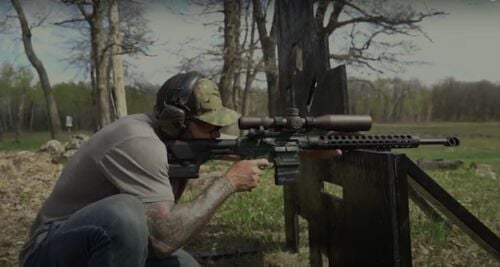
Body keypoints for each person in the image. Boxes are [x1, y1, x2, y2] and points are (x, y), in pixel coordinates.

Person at [19, 71, 271, 267]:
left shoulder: (169, 137)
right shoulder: (139, 141)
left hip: (103, 247)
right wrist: (229, 182)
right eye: (209, 126)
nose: (216, 134)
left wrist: (262, 148)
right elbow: (164, 239)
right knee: (124, 214)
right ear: (176, 122)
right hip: (49, 250)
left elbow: (210, 144)